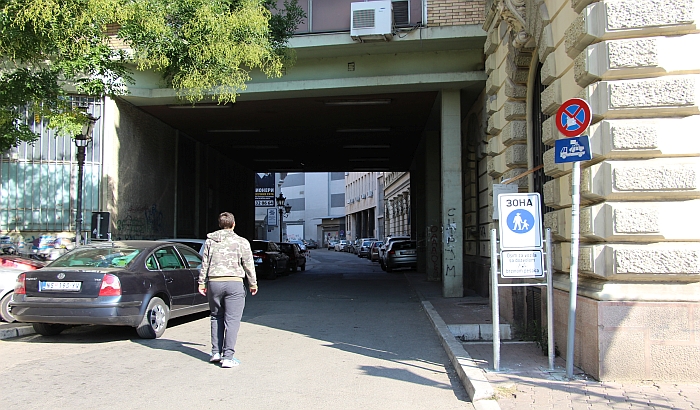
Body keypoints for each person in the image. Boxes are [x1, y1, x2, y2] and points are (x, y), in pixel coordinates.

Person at [198, 212, 258, 368]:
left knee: (215, 316)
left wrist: (201, 283)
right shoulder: (241, 242)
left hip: (214, 282)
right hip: (234, 283)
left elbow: (205, 262)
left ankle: (215, 352)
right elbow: (248, 264)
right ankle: (228, 357)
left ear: (220, 224)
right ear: (233, 224)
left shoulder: (210, 241)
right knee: (232, 320)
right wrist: (253, 283)